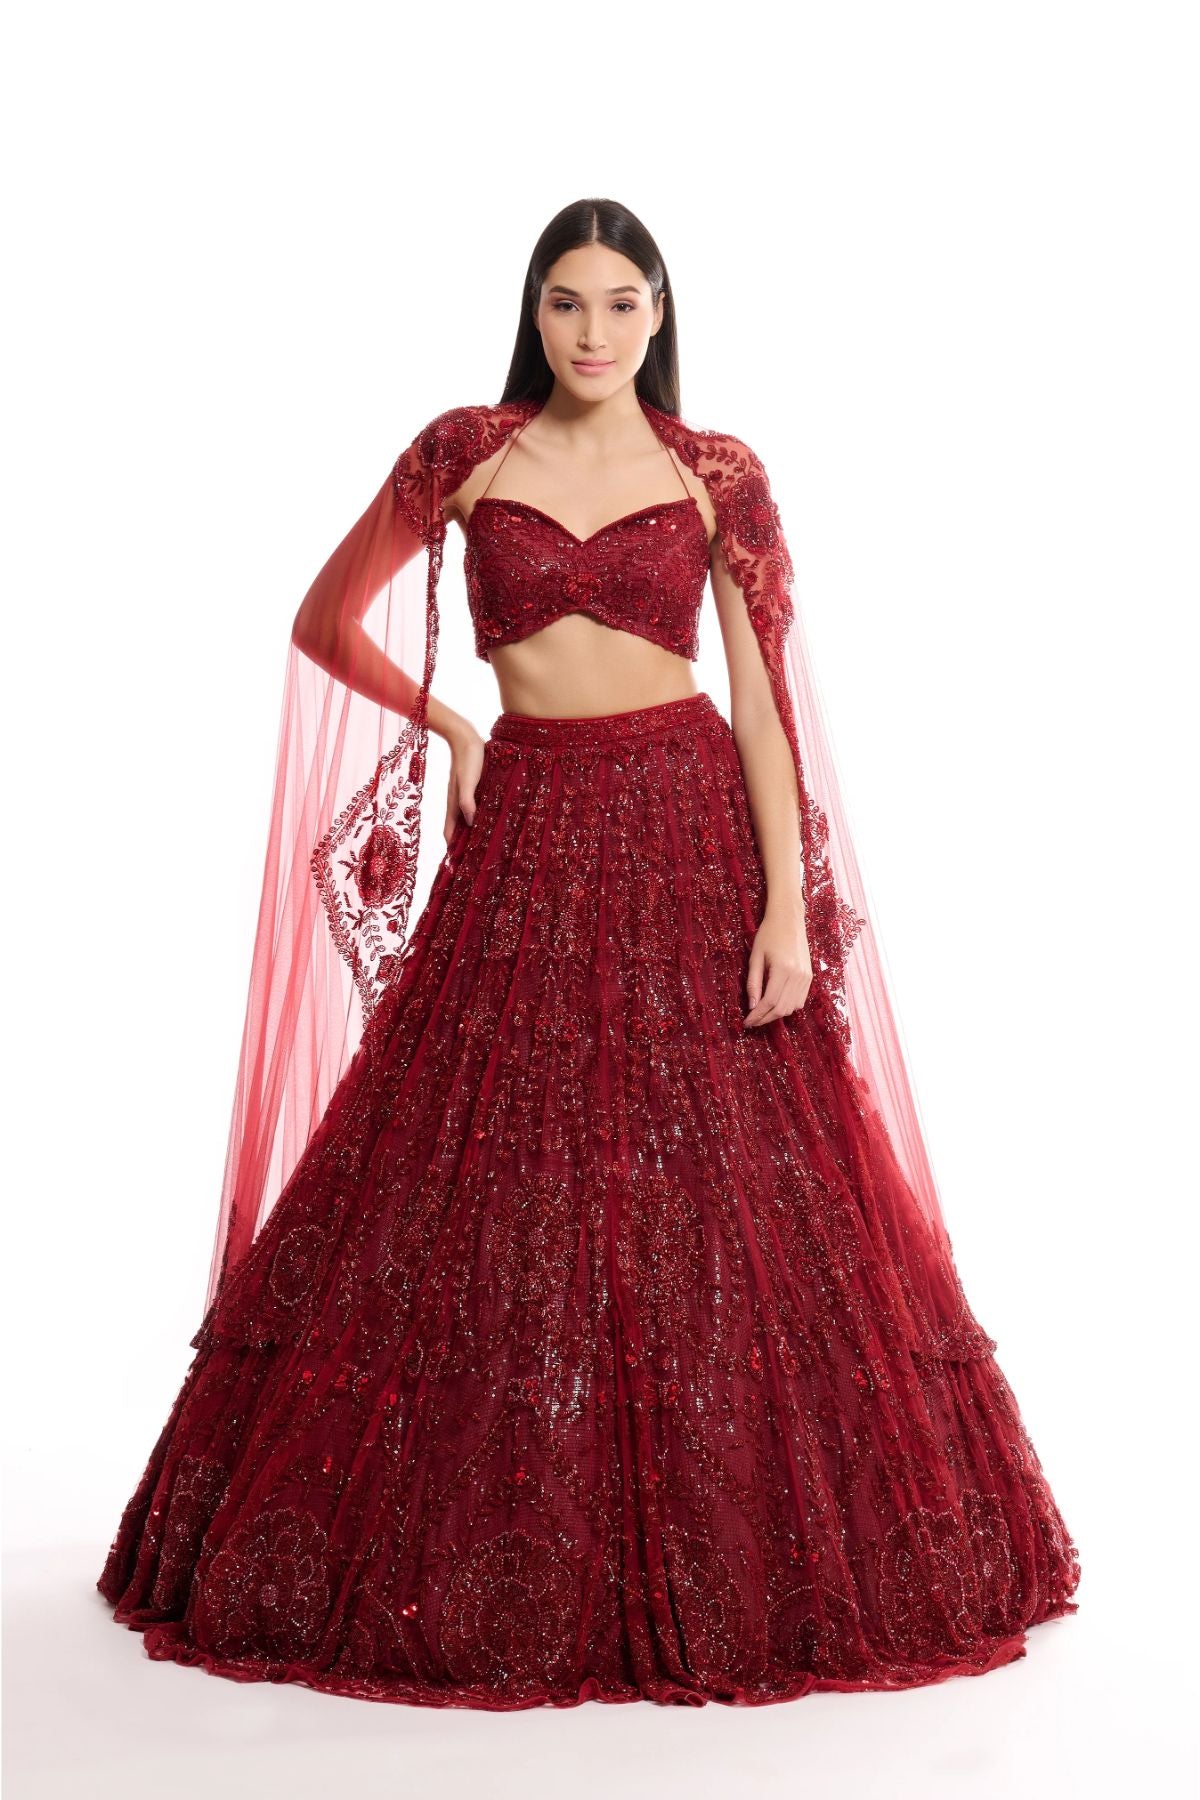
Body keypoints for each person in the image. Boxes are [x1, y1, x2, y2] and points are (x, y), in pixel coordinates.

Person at [96, 197, 1080, 1709]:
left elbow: (762, 706)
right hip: (530, 823)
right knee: (476, 1173)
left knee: (733, 1188)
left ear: (661, 314)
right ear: (533, 311)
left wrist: (782, 909)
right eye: (568, 302)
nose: (596, 331)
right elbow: (323, 619)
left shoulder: (714, 474)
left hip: (687, 824)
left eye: (625, 303)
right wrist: (449, 722)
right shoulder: (465, 452)